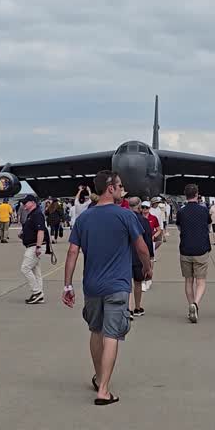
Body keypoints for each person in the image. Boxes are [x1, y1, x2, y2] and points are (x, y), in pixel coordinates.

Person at [62, 170, 152, 406]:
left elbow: (72, 252)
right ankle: (103, 389)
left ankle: (99, 375)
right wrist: (147, 267)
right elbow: (141, 247)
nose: (122, 190)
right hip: (117, 286)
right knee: (112, 334)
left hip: (92, 285)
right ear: (110, 188)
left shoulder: (84, 218)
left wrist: (67, 285)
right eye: (120, 186)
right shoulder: (125, 216)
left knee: (95, 330)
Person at [174, 185, 212, 323]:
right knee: (200, 281)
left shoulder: (181, 212)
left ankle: (190, 304)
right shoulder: (204, 210)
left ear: (185, 195)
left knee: (188, 280)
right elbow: (208, 227)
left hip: (185, 248)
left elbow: (179, 227)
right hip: (201, 249)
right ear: (197, 194)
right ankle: (195, 303)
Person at [130, 199, 159, 317]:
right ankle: (136, 307)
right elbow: (147, 241)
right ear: (139, 206)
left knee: (126, 284)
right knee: (138, 283)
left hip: (124, 255)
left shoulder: (122, 218)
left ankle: (127, 309)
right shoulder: (144, 221)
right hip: (138, 256)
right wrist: (150, 258)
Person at [19, 195, 47, 305]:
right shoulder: (32, 214)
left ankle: (37, 292)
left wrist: (39, 246)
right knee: (36, 271)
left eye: (26, 202)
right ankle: (39, 294)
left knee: (25, 268)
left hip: (35, 246)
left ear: (33, 203)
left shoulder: (37, 214)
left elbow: (41, 230)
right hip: (32, 245)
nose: (24, 204)